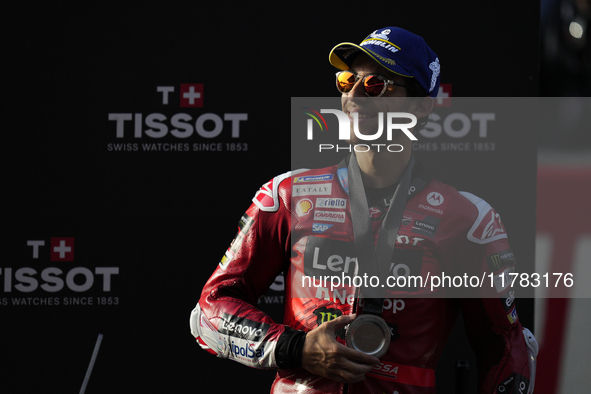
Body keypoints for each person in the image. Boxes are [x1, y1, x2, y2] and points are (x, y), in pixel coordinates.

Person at [190, 27, 538, 393]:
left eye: (376, 84)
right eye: (346, 80)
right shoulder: (289, 195)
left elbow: (508, 349)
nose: (354, 95)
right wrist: (296, 348)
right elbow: (209, 310)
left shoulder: (468, 220)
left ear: (420, 106)